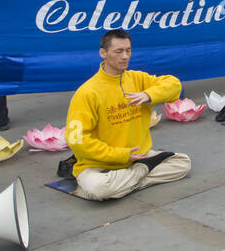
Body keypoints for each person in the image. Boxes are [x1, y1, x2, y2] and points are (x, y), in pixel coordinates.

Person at [65, 29, 190, 201]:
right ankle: (141, 172)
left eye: (128, 50)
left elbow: (174, 85)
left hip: (137, 157)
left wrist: (148, 95)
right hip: (98, 166)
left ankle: (129, 181)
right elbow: (76, 140)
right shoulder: (86, 93)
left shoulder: (137, 78)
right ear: (103, 53)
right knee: (99, 189)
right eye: (118, 51)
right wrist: (120, 155)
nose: (125, 56)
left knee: (183, 163)